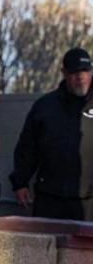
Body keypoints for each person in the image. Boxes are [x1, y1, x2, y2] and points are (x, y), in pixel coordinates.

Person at [10, 47, 93, 220]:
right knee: (47, 245)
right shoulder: (45, 107)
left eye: (85, 71)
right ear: (64, 73)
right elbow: (27, 148)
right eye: (74, 72)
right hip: (50, 200)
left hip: (89, 202)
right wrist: (20, 183)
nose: (81, 76)